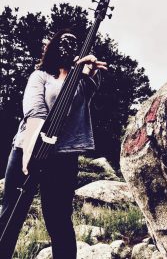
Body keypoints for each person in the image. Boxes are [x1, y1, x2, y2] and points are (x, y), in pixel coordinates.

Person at [0, 28, 108, 258]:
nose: (67, 48)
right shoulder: (40, 76)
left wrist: (85, 72)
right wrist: (30, 155)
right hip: (26, 149)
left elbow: (90, 86)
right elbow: (35, 113)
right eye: (63, 43)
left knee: (59, 219)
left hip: (62, 157)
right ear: (53, 48)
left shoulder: (83, 81)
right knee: (11, 214)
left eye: (73, 44)